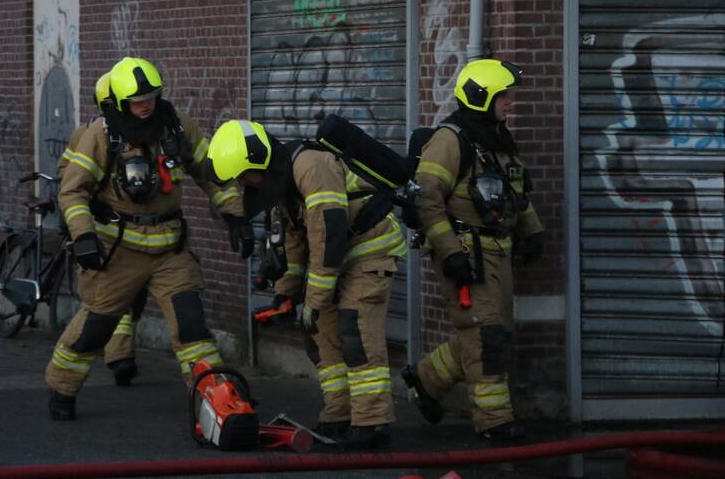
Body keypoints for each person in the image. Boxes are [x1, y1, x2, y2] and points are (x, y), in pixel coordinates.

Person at [45, 56, 246, 421]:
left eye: (152, 97)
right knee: (96, 329)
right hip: (118, 250)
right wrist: (85, 236)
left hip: (170, 248)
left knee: (191, 324)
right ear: (120, 102)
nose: (146, 106)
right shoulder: (101, 135)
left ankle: (216, 402)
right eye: (138, 101)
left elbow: (211, 169)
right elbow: (72, 192)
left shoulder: (177, 126)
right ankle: (61, 388)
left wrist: (233, 212)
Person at [205, 119, 409, 450]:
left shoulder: (311, 167)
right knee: (320, 334)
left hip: (369, 251)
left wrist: (312, 300)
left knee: (355, 330)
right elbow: (298, 242)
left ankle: (372, 423)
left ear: (257, 161)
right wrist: (286, 293)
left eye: (244, 177)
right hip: (337, 258)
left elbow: (328, 237)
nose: (245, 185)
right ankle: (339, 414)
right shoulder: (284, 179)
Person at [400, 59, 544, 442]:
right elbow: (427, 199)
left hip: (499, 248)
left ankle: (426, 379)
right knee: (486, 336)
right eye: (503, 96)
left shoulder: (497, 138)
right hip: (469, 249)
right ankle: (494, 422)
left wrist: (532, 231)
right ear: (482, 98)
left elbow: (516, 191)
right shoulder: (451, 141)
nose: (510, 102)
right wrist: (450, 252)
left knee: (496, 331)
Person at [58, 71, 148, 387]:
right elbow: (67, 178)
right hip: (102, 230)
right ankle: (118, 356)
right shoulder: (90, 134)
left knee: (125, 297)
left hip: (130, 231)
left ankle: (120, 355)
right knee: (111, 297)